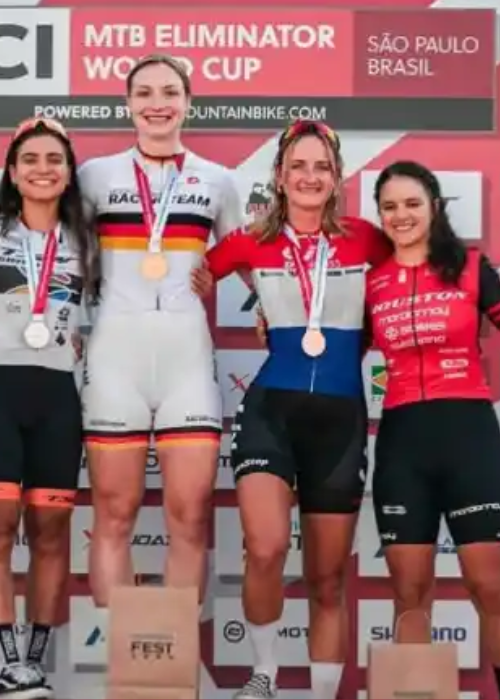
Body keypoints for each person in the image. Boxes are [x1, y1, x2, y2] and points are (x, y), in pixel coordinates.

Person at [195, 119, 390, 700]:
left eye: (321, 167)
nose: (309, 177)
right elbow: (182, 281)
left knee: (327, 578)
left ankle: (323, 693)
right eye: (298, 166)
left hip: (340, 419)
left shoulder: (367, 240)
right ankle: (264, 675)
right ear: (279, 177)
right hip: (269, 413)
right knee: (266, 548)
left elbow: (413, 285)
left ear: (337, 178)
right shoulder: (250, 241)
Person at [77, 54, 244, 611]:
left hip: (186, 361)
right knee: (113, 513)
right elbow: (67, 254)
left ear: (188, 103)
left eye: (169, 92)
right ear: (127, 104)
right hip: (115, 358)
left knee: (190, 517)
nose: (157, 104)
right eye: (144, 93)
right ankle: (118, 653)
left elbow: (245, 258)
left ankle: (175, 657)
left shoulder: (218, 180)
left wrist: (261, 300)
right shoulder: (95, 175)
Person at [0, 118, 98, 700]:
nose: (42, 168)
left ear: (69, 172)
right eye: (30, 159)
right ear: (11, 172)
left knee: (51, 530)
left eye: (54, 159)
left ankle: (34, 663)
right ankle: (6, 663)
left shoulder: (88, 236)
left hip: (58, 392)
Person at [367, 161, 500, 696]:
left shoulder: (470, 267)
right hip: (403, 444)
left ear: (436, 207)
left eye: (412, 204)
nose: (401, 215)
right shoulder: (373, 282)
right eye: (389, 206)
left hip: (469, 437)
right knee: (410, 594)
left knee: (490, 586)